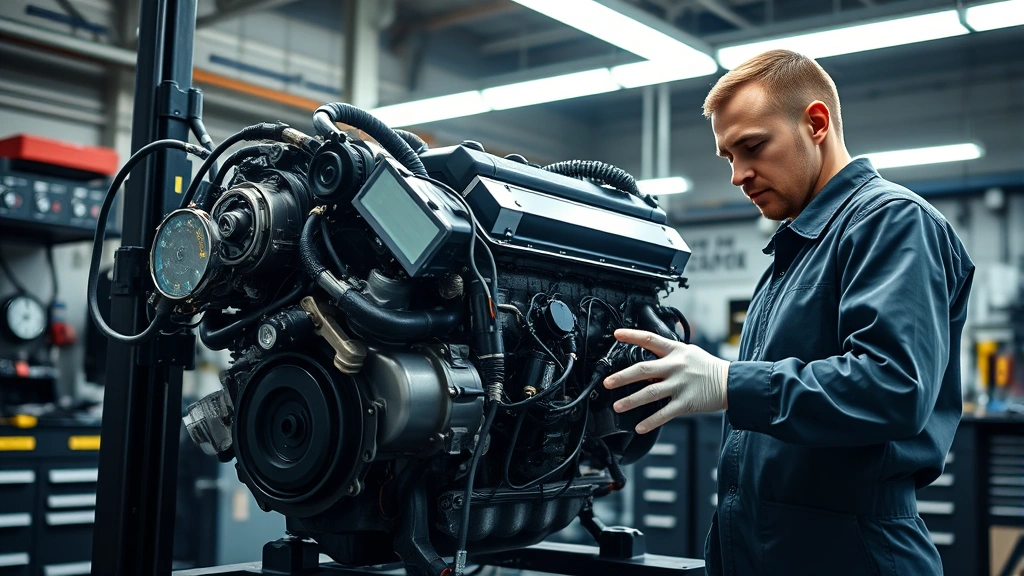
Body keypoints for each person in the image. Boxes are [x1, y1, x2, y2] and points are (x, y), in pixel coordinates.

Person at [603, 49, 975, 576]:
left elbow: (894, 386)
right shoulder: (794, 251)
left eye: (752, 147)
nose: (738, 175)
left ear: (816, 123)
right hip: (762, 547)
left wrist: (732, 384)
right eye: (727, 157)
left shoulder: (893, 224)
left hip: (852, 554)